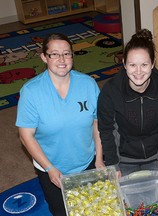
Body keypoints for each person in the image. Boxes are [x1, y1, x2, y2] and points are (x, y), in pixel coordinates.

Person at [16, 33, 104, 216]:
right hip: (52, 168)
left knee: (94, 209)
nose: (62, 59)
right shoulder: (31, 92)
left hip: (87, 163)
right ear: (44, 57)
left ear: (72, 56)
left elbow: (98, 123)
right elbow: (26, 135)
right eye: (54, 54)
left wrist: (99, 159)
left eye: (66, 53)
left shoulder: (88, 84)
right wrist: (49, 168)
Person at [97, 29, 158, 178]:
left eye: (144, 65)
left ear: (152, 64)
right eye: (132, 65)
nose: (138, 71)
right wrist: (113, 164)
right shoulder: (110, 91)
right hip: (123, 159)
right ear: (124, 64)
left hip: (156, 156)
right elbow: (106, 129)